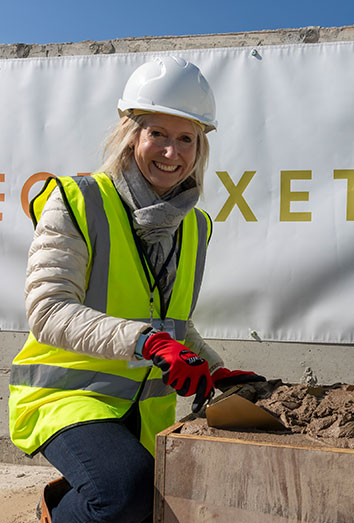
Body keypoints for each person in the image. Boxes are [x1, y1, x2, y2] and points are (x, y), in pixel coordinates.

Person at [8, 56, 265, 522]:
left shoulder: (195, 226)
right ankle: (59, 510)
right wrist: (147, 342)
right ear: (132, 136)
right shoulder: (77, 200)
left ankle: (76, 498)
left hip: (144, 408)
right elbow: (48, 311)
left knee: (158, 501)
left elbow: (173, 325)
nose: (172, 152)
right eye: (158, 135)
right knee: (125, 494)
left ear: (200, 148)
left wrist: (215, 371)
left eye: (186, 138)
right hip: (67, 397)